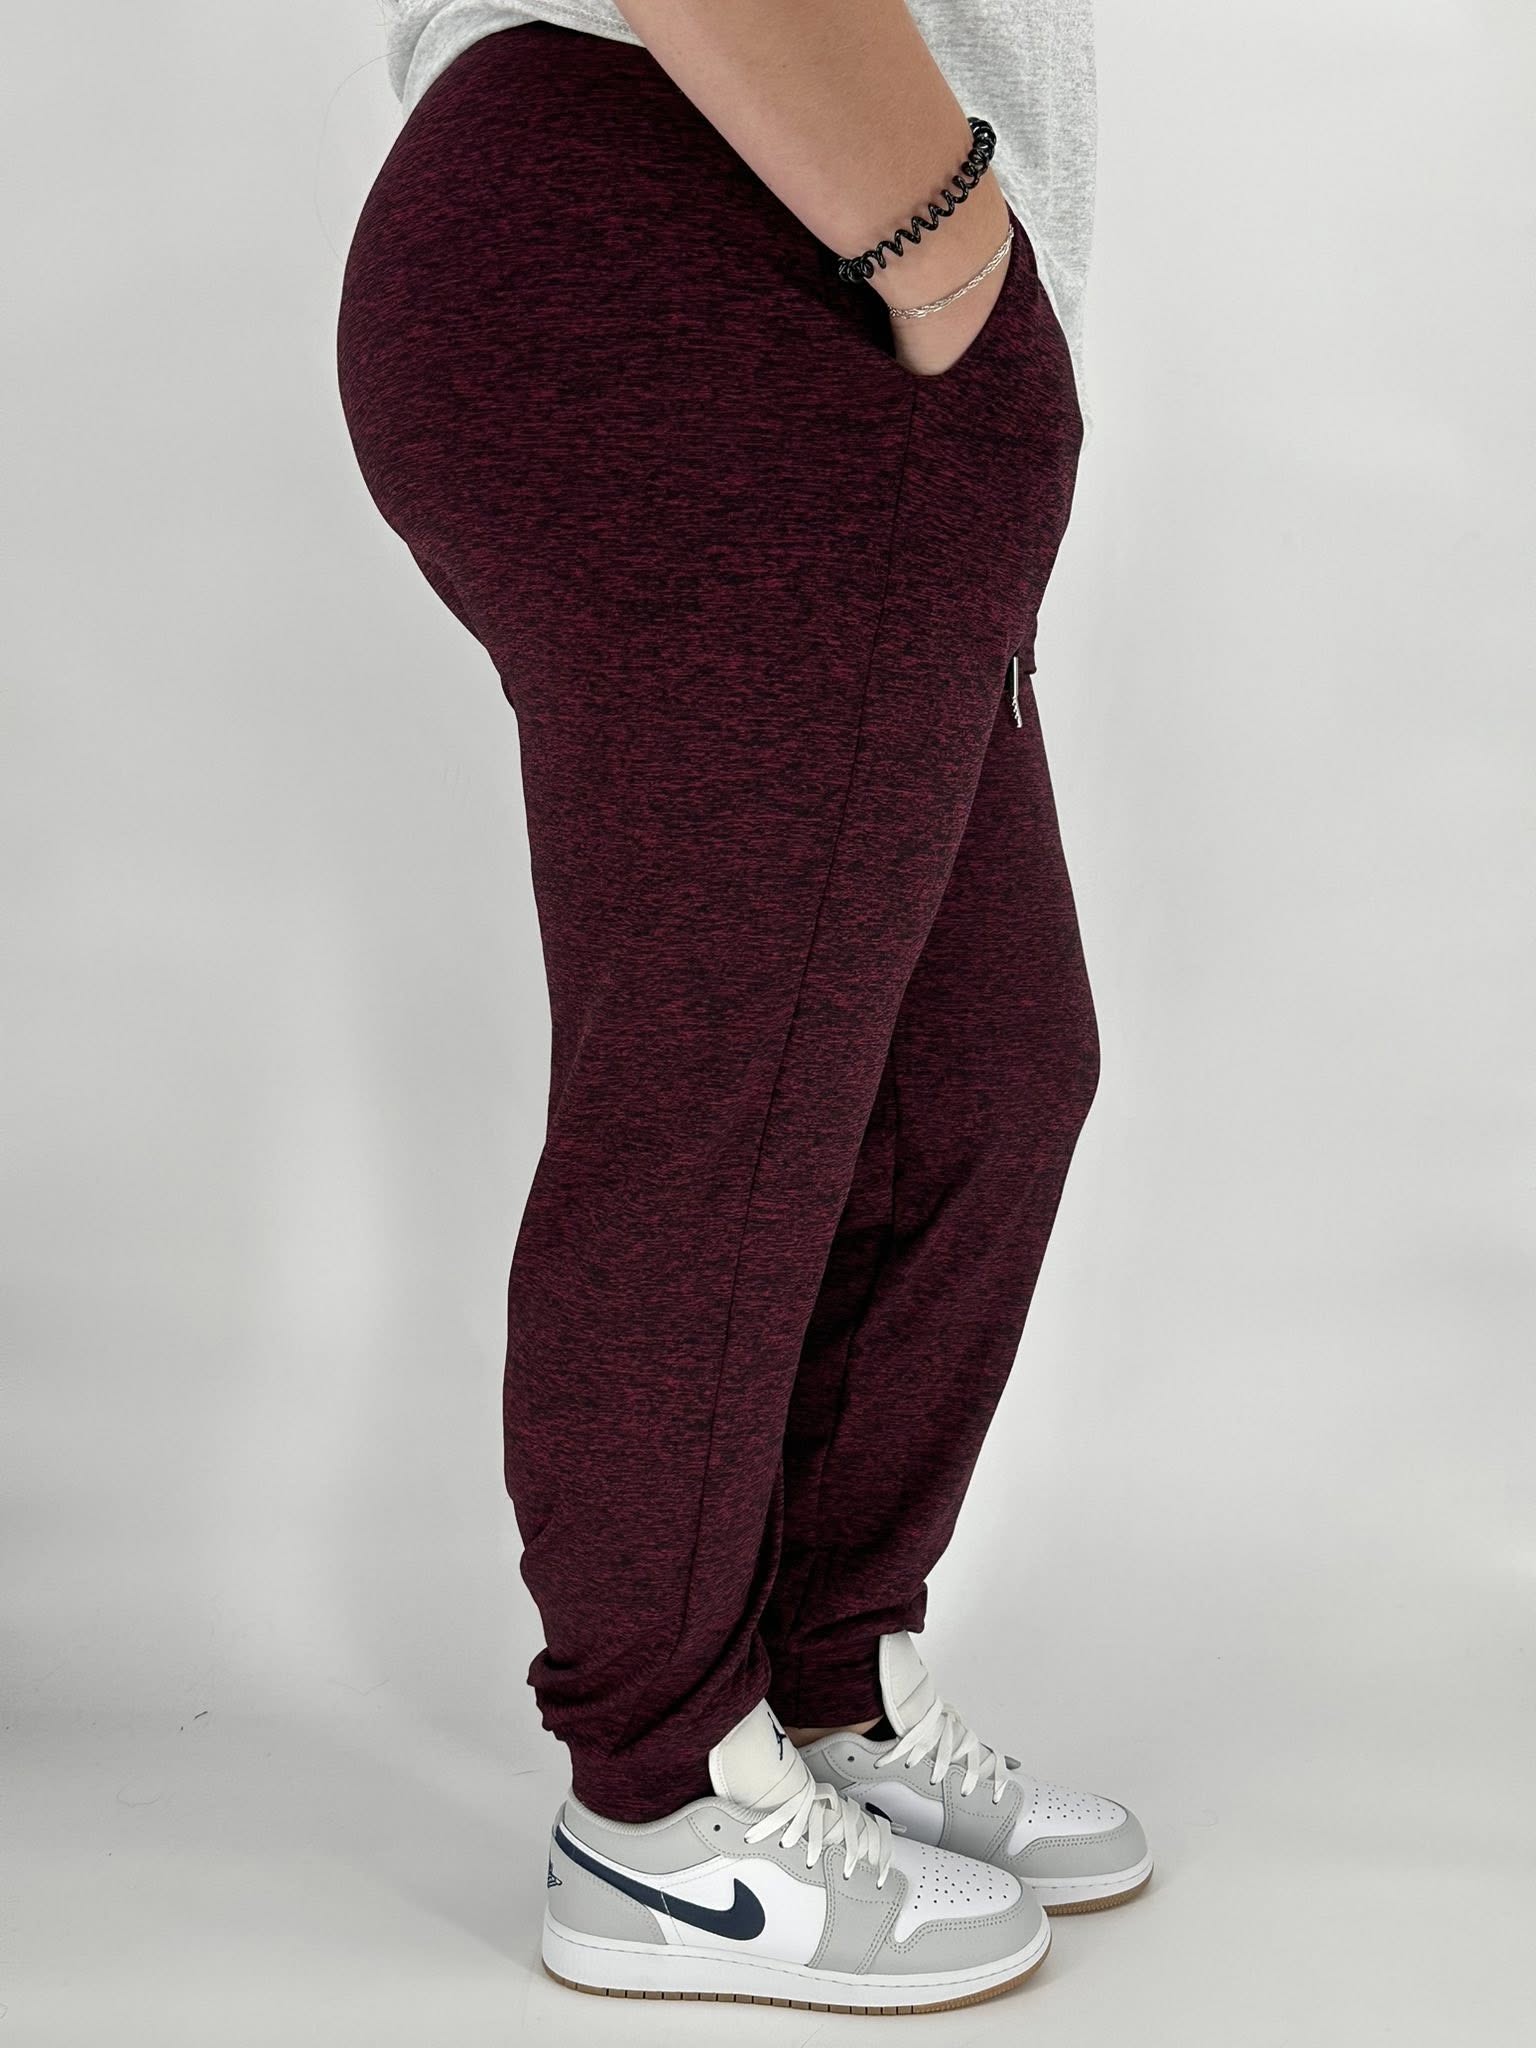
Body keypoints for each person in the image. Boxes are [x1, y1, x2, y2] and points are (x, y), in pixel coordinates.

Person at [337, 0, 1149, 2014]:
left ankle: (816, 1690)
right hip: (723, 223)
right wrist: (952, 254)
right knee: (735, 1087)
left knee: (986, 1070)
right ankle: (660, 1805)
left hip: (774, 242)